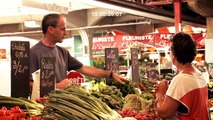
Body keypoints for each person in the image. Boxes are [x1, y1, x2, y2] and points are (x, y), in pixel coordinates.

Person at [30, 13, 128, 89]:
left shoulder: (63, 52)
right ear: (50, 29)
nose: (65, 33)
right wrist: (58, 86)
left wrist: (110, 74)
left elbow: (84, 68)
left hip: (62, 105)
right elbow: (30, 85)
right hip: (43, 108)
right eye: (62, 29)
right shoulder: (34, 53)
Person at [155, 32, 210, 120]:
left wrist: (160, 94)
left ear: (174, 55)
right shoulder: (199, 74)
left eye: (170, 51)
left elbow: (164, 113)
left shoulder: (181, 79)